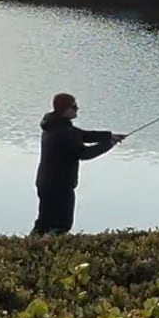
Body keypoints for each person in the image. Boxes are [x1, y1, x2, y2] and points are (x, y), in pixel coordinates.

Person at [32, 92, 126, 236]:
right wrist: (109, 145)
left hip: (45, 182)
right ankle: (53, 252)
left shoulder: (53, 124)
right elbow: (84, 153)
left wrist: (109, 136)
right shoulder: (63, 132)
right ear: (65, 109)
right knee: (61, 225)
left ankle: (33, 247)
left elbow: (83, 135)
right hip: (60, 185)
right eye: (74, 106)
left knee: (44, 223)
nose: (77, 108)